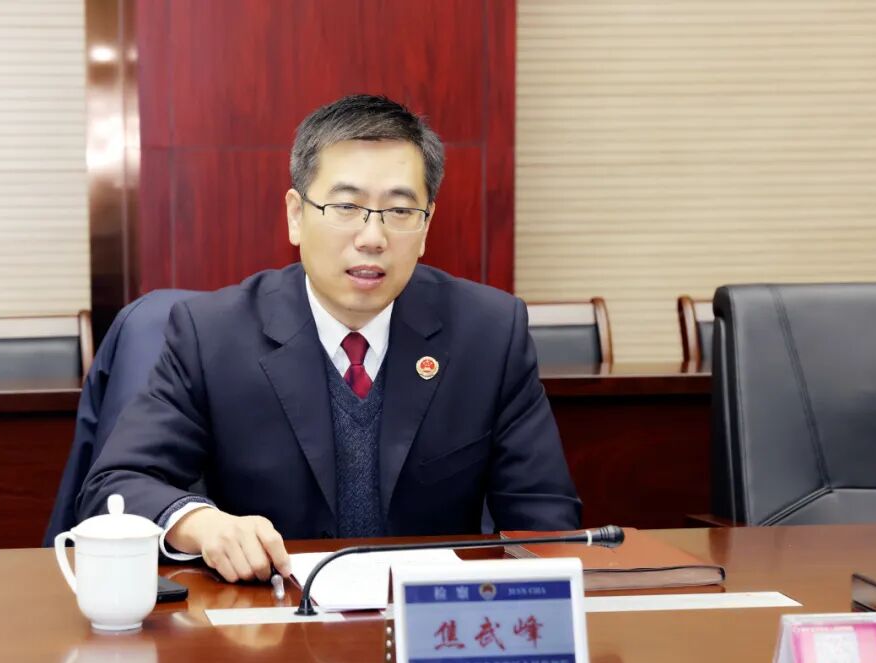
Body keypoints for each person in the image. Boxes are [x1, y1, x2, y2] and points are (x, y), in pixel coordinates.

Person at [76, 94, 580, 583]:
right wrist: (201, 524)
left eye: (400, 211)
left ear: (427, 226)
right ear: (296, 215)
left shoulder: (488, 333)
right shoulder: (212, 335)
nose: (372, 237)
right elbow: (114, 486)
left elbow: (546, 518)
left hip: (427, 622)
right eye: (346, 206)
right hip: (268, 621)